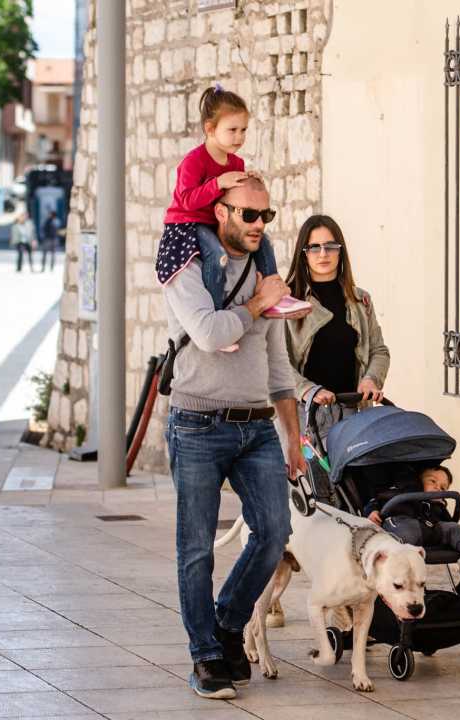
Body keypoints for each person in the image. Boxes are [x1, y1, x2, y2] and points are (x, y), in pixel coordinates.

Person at [162, 175, 307, 700]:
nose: (259, 225)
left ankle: (227, 624)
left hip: (256, 427)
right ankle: (205, 656)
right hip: (197, 423)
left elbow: (277, 362)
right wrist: (256, 304)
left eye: (266, 216)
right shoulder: (187, 269)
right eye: (249, 215)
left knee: (274, 532)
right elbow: (208, 333)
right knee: (196, 549)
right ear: (219, 211)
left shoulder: (263, 270)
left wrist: (293, 438)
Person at [271, 214, 390, 630]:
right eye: (315, 247)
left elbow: (379, 349)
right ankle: (270, 594)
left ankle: (345, 601)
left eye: (331, 246)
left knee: (351, 504)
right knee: (311, 509)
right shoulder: (290, 306)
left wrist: (373, 377)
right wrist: (309, 390)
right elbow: (280, 366)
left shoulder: (361, 300)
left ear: (341, 250)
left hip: (355, 417)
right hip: (307, 419)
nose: (324, 255)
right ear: (304, 255)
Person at [156, 84, 309, 353]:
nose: (239, 137)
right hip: (187, 224)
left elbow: (237, 194)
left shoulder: (236, 163)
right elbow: (187, 199)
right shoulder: (195, 161)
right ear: (210, 130)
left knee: (265, 240)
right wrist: (217, 184)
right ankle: (217, 316)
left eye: (244, 130)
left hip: (214, 220)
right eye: (232, 130)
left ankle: (275, 292)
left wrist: (252, 180)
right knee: (216, 253)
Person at [365, 465, 460, 572]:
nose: (437, 488)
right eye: (433, 481)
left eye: (442, 488)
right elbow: (376, 500)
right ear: (418, 481)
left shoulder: (437, 506)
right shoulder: (397, 493)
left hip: (431, 532)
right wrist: (372, 511)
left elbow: (449, 522)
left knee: (453, 527)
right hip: (402, 525)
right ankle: (402, 560)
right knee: (408, 529)